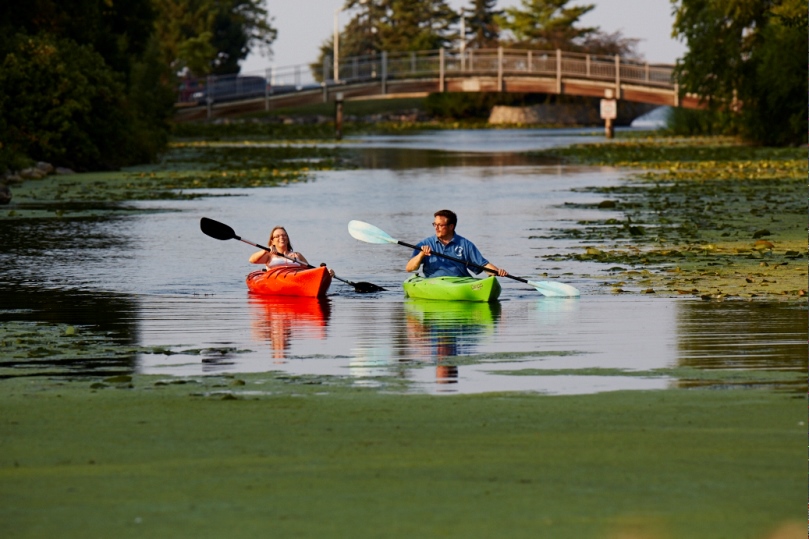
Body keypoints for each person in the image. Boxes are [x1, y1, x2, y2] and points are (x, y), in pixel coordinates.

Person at [405, 209, 508, 278]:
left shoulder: (465, 245)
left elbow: (484, 265)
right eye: (435, 224)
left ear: (451, 226)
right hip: (434, 283)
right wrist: (421, 254)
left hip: (459, 283)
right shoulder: (424, 244)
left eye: (440, 225)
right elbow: (409, 268)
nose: (436, 228)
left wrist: (498, 271)